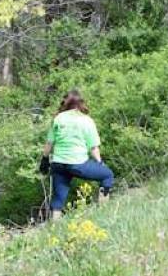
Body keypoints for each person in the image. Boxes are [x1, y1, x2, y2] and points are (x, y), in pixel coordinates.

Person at [39, 90, 114, 220]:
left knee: (58, 198)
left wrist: (44, 160)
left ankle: (54, 225)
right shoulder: (86, 120)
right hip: (78, 163)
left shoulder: (58, 119)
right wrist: (100, 163)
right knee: (107, 175)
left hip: (58, 164)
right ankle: (103, 212)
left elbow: (49, 143)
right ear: (81, 103)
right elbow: (93, 147)